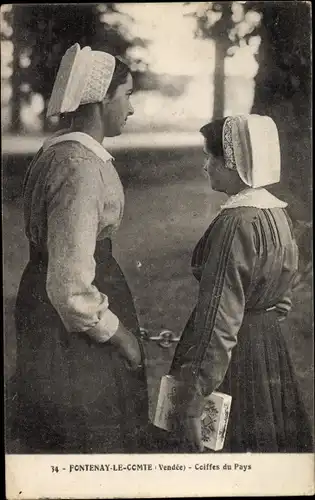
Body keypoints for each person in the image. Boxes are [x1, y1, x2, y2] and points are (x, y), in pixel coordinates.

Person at [7, 43, 150, 453]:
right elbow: (69, 285)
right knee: (88, 433)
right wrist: (117, 333)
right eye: (127, 95)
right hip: (70, 319)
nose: (131, 108)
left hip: (46, 299)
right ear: (103, 97)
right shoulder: (78, 167)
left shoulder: (59, 151)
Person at [167, 114, 313, 453]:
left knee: (225, 447)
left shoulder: (235, 223)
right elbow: (284, 289)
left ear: (233, 162)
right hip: (267, 344)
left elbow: (220, 314)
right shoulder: (276, 213)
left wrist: (195, 394)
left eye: (210, 157)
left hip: (231, 356)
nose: (206, 166)